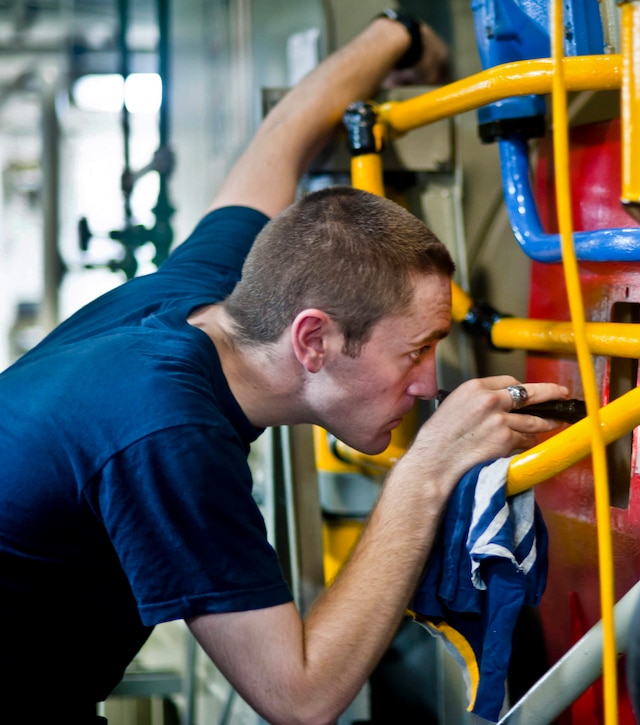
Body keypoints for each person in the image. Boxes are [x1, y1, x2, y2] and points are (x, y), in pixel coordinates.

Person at [0, 11, 568, 724]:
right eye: (415, 350)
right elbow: (300, 699)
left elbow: (284, 135)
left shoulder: (205, 292)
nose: (428, 384)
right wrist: (428, 467)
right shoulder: (169, 430)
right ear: (313, 341)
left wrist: (399, 35)